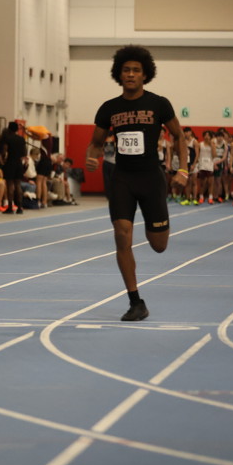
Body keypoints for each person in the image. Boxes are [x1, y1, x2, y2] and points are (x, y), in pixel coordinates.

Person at [85, 45, 186, 323]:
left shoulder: (159, 104)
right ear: (119, 74)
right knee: (122, 234)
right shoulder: (109, 108)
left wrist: (183, 170)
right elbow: (95, 143)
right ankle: (135, 301)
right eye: (126, 70)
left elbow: (179, 136)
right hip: (123, 178)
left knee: (159, 245)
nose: (130, 74)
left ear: (145, 75)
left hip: (151, 178)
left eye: (136, 70)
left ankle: (155, 223)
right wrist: (91, 158)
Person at [0, 121, 26, 214]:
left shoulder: (7, 139)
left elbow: (4, 151)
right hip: (19, 163)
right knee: (18, 185)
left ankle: (10, 207)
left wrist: (2, 159)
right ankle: (20, 207)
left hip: (10, 162)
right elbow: (24, 152)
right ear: (17, 129)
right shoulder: (21, 139)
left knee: (10, 185)